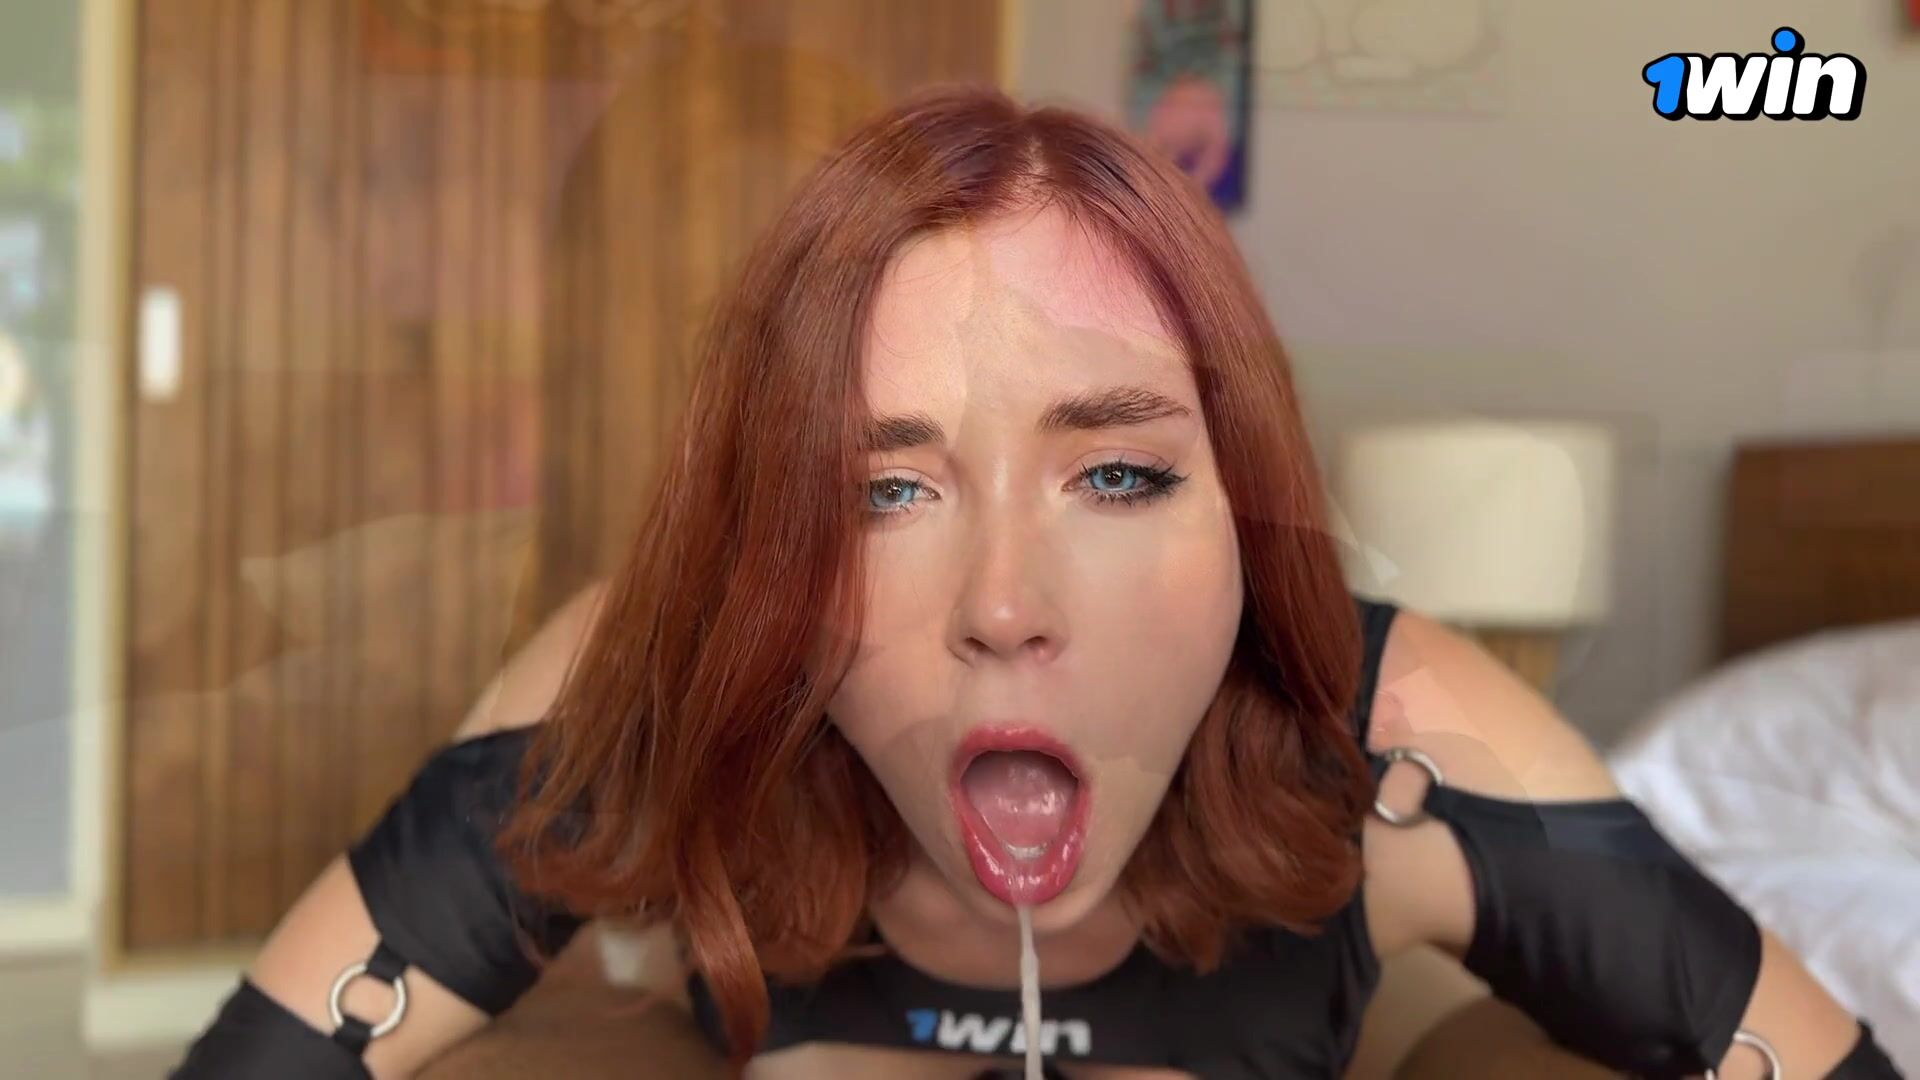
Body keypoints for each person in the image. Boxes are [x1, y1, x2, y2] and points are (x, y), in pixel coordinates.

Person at [171, 85, 1903, 1080]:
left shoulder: (1410, 737)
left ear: (1252, 520)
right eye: (885, 490)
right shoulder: (648, 674)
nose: (1004, 603)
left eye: (1121, 474)